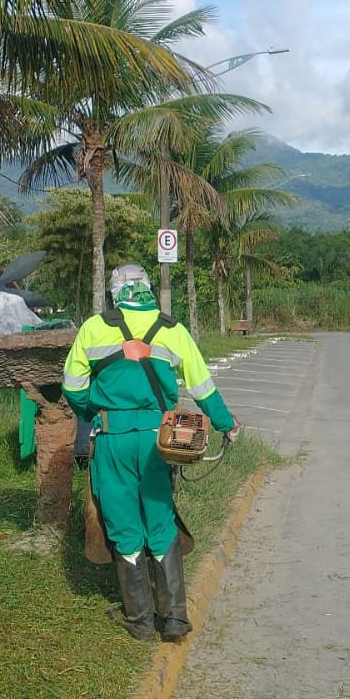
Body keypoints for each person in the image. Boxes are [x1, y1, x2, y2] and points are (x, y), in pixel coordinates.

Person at [62, 263, 240, 642]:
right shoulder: (173, 330)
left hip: (112, 438)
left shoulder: (94, 328)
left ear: (114, 293)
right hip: (161, 439)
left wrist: (92, 412)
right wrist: (226, 424)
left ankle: (140, 620)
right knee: (160, 518)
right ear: (147, 291)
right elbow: (202, 387)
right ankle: (175, 618)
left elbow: (73, 386)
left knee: (123, 522)